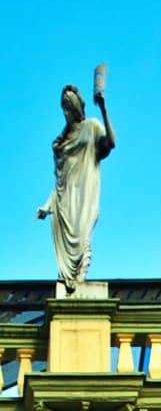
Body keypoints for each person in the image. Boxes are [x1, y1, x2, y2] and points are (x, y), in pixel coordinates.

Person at [36, 82, 115, 294]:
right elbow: (61, 183)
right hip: (65, 202)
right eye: (64, 106)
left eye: (69, 106)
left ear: (78, 107)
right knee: (68, 252)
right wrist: (46, 206)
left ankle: (79, 281)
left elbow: (111, 143)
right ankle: (71, 286)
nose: (66, 111)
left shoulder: (92, 126)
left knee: (84, 238)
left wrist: (104, 109)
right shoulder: (61, 144)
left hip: (85, 195)